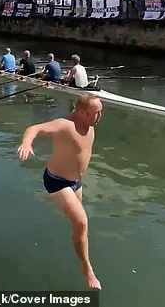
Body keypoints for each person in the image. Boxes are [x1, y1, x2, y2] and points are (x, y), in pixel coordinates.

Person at [17, 94, 103, 290]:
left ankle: (71, 225)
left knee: (80, 227)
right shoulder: (65, 125)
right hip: (57, 182)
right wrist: (27, 143)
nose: (100, 116)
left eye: (101, 111)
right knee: (81, 222)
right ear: (82, 112)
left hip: (75, 182)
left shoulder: (89, 125)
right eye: (96, 112)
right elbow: (35, 128)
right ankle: (87, 270)